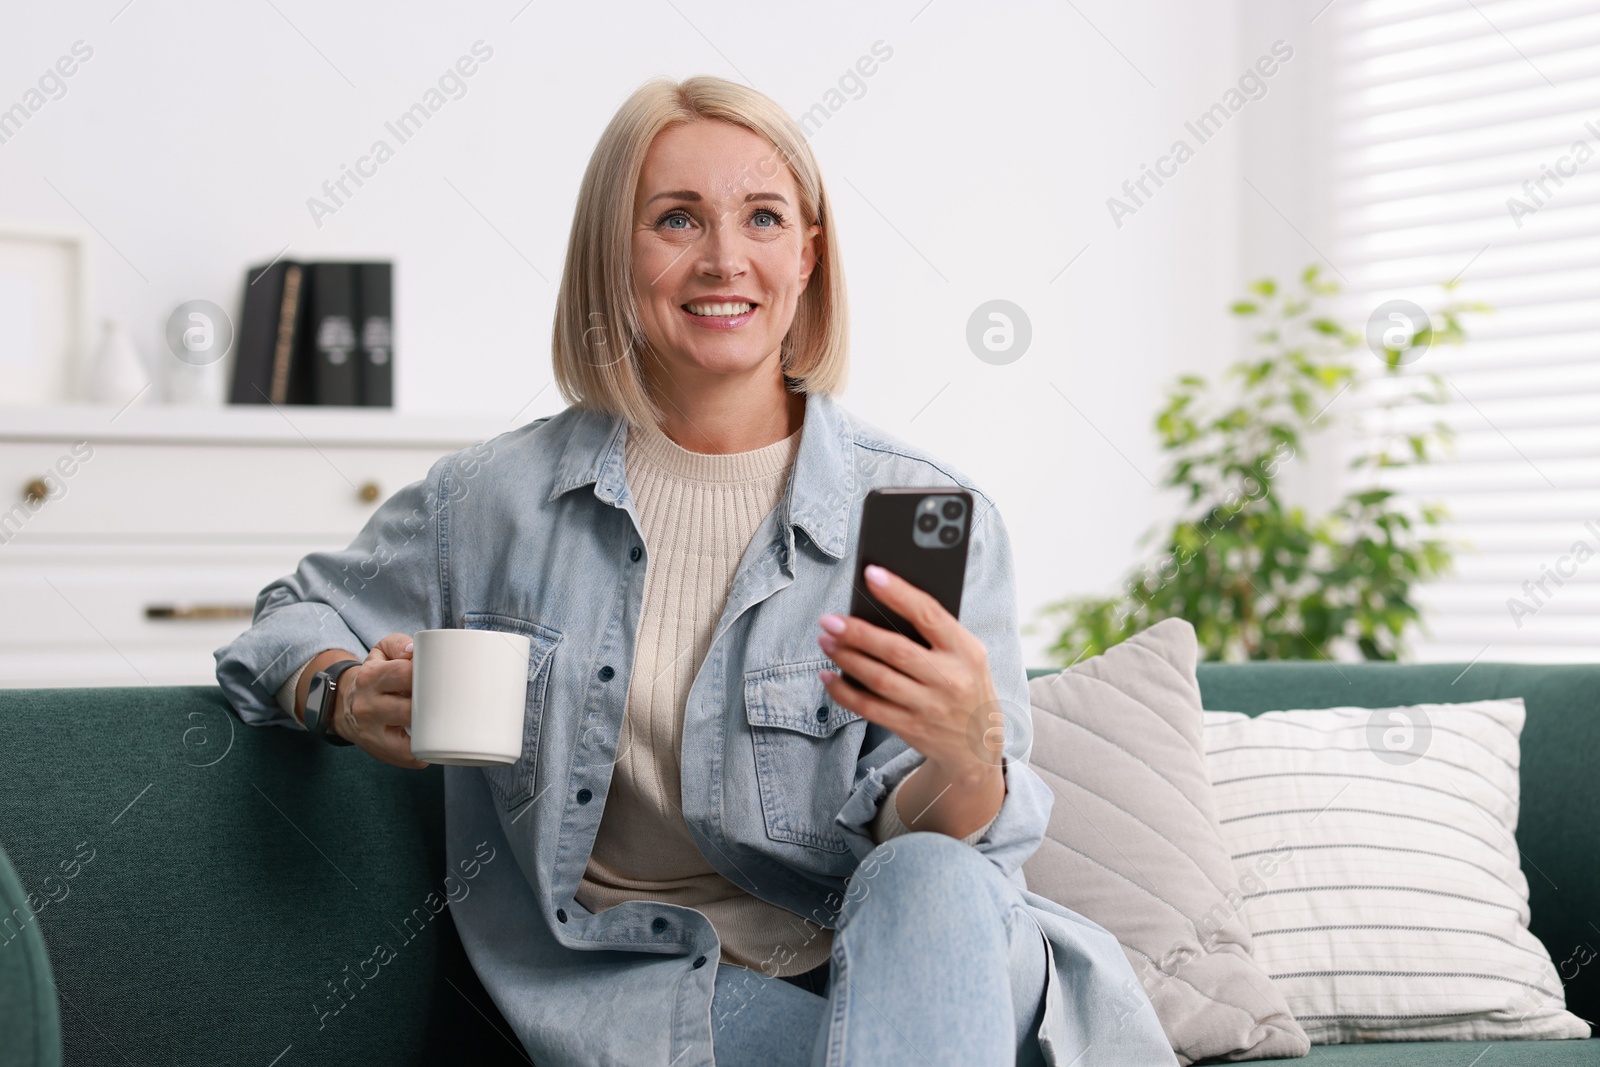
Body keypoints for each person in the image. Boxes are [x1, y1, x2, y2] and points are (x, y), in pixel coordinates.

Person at [215, 74, 1173, 1067]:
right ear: (613, 256)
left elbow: (942, 848)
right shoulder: (495, 501)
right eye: (676, 219)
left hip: (940, 961)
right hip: (681, 999)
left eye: (762, 217)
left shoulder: (917, 510)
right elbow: (286, 617)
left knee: (926, 874)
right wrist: (336, 689)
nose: (725, 259)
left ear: (806, 255)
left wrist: (969, 760)